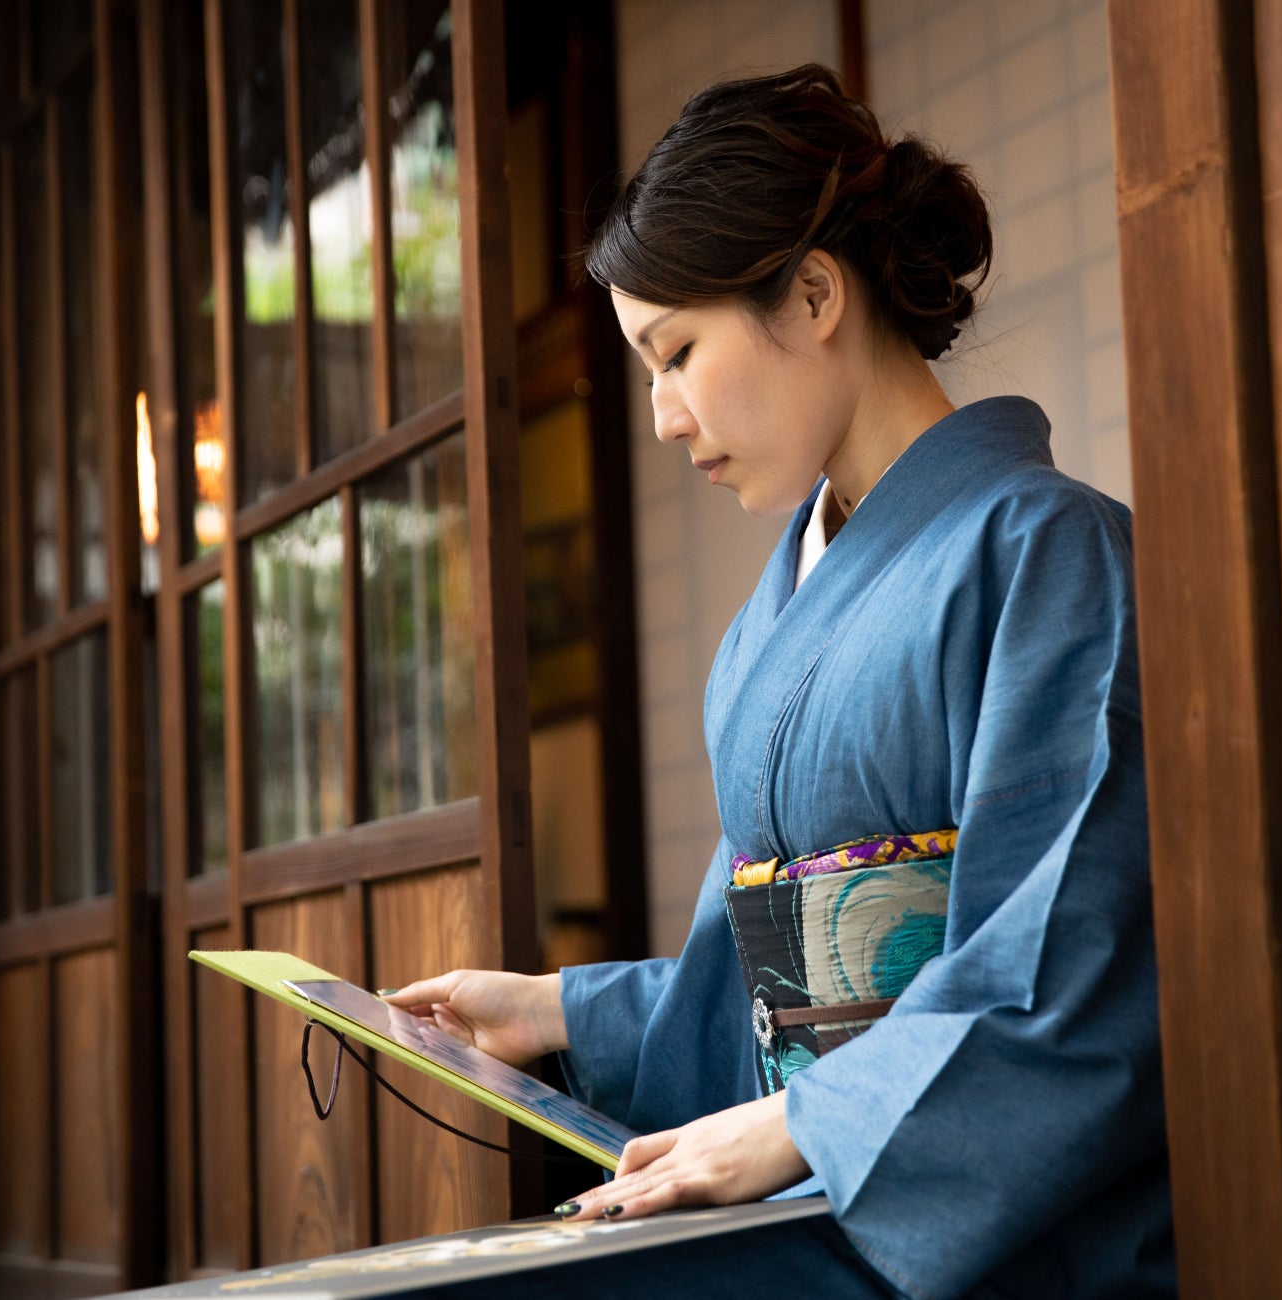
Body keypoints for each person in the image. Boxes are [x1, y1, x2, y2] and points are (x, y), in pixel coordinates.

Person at [384, 64, 1173, 1300]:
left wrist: (809, 1124)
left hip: (998, 1231)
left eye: (677, 353)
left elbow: (1064, 967)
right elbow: (746, 996)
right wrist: (556, 1012)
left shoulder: (1046, 552)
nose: (662, 416)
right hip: (826, 1182)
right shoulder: (772, 621)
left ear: (813, 295)